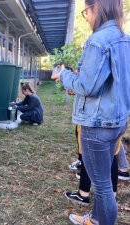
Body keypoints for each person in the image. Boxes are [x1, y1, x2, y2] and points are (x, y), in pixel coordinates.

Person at [52, 0, 130, 224]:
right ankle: (96, 218)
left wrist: (64, 76)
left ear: (97, 7)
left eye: (86, 11)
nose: (86, 18)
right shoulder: (125, 39)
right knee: (104, 179)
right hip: (117, 121)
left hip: (97, 125)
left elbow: (87, 86)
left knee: (103, 184)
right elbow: (110, 81)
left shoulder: (98, 41)